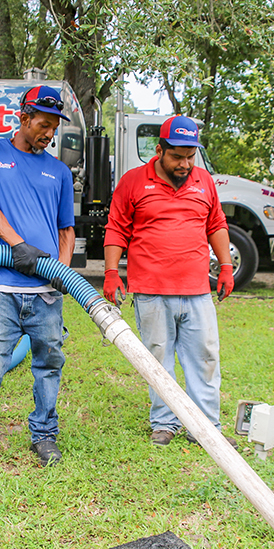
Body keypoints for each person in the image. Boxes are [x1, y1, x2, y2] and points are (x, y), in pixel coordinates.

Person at [0, 85, 76, 479]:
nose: (49, 134)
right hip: (3, 286)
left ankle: (44, 434)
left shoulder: (59, 171)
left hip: (45, 292)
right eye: (43, 125)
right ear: (24, 118)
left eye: (54, 128)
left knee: (49, 363)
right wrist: (17, 245)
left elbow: (66, 230)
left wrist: (60, 273)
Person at [103, 115, 237, 447]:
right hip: (150, 289)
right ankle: (164, 422)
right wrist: (110, 271)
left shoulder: (203, 180)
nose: (185, 163)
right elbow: (116, 228)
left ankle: (205, 427)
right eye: (177, 156)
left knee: (204, 356)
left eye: (190, 156)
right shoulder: (133, 181)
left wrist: (226, 267)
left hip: (196, 289)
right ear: (160, 150)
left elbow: (216, 224)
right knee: (158, 356)